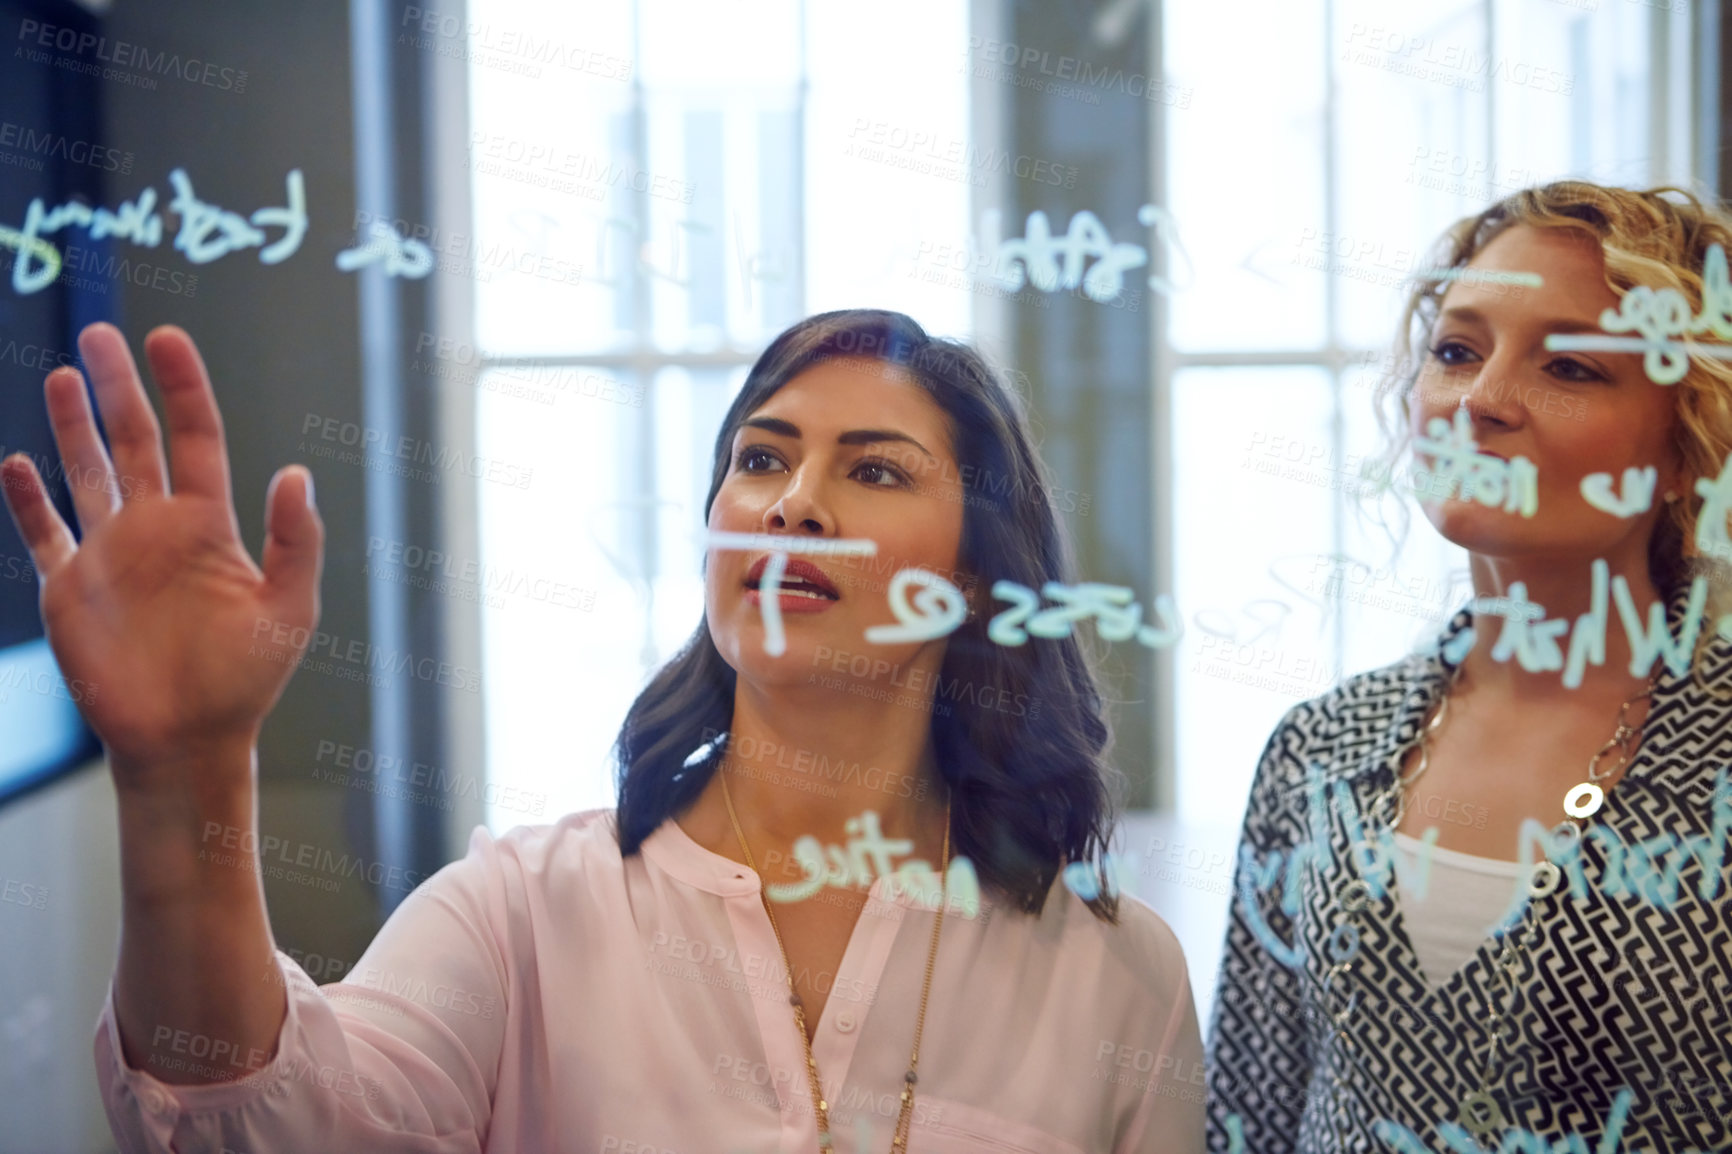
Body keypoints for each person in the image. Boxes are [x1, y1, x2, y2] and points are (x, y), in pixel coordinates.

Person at [0, 308, 1205, 1152]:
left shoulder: (1114, 973)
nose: (791, 500)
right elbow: (253, 1125)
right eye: (759, 458)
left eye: (875, 471)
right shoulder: (519, 912)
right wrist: (186, 779)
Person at [1203, 181, 1732, 1153]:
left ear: (1681, 444)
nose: (1482, 400)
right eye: (1455, 350)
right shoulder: (1320, 746)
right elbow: (1248, 1110)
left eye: (1568, 366)